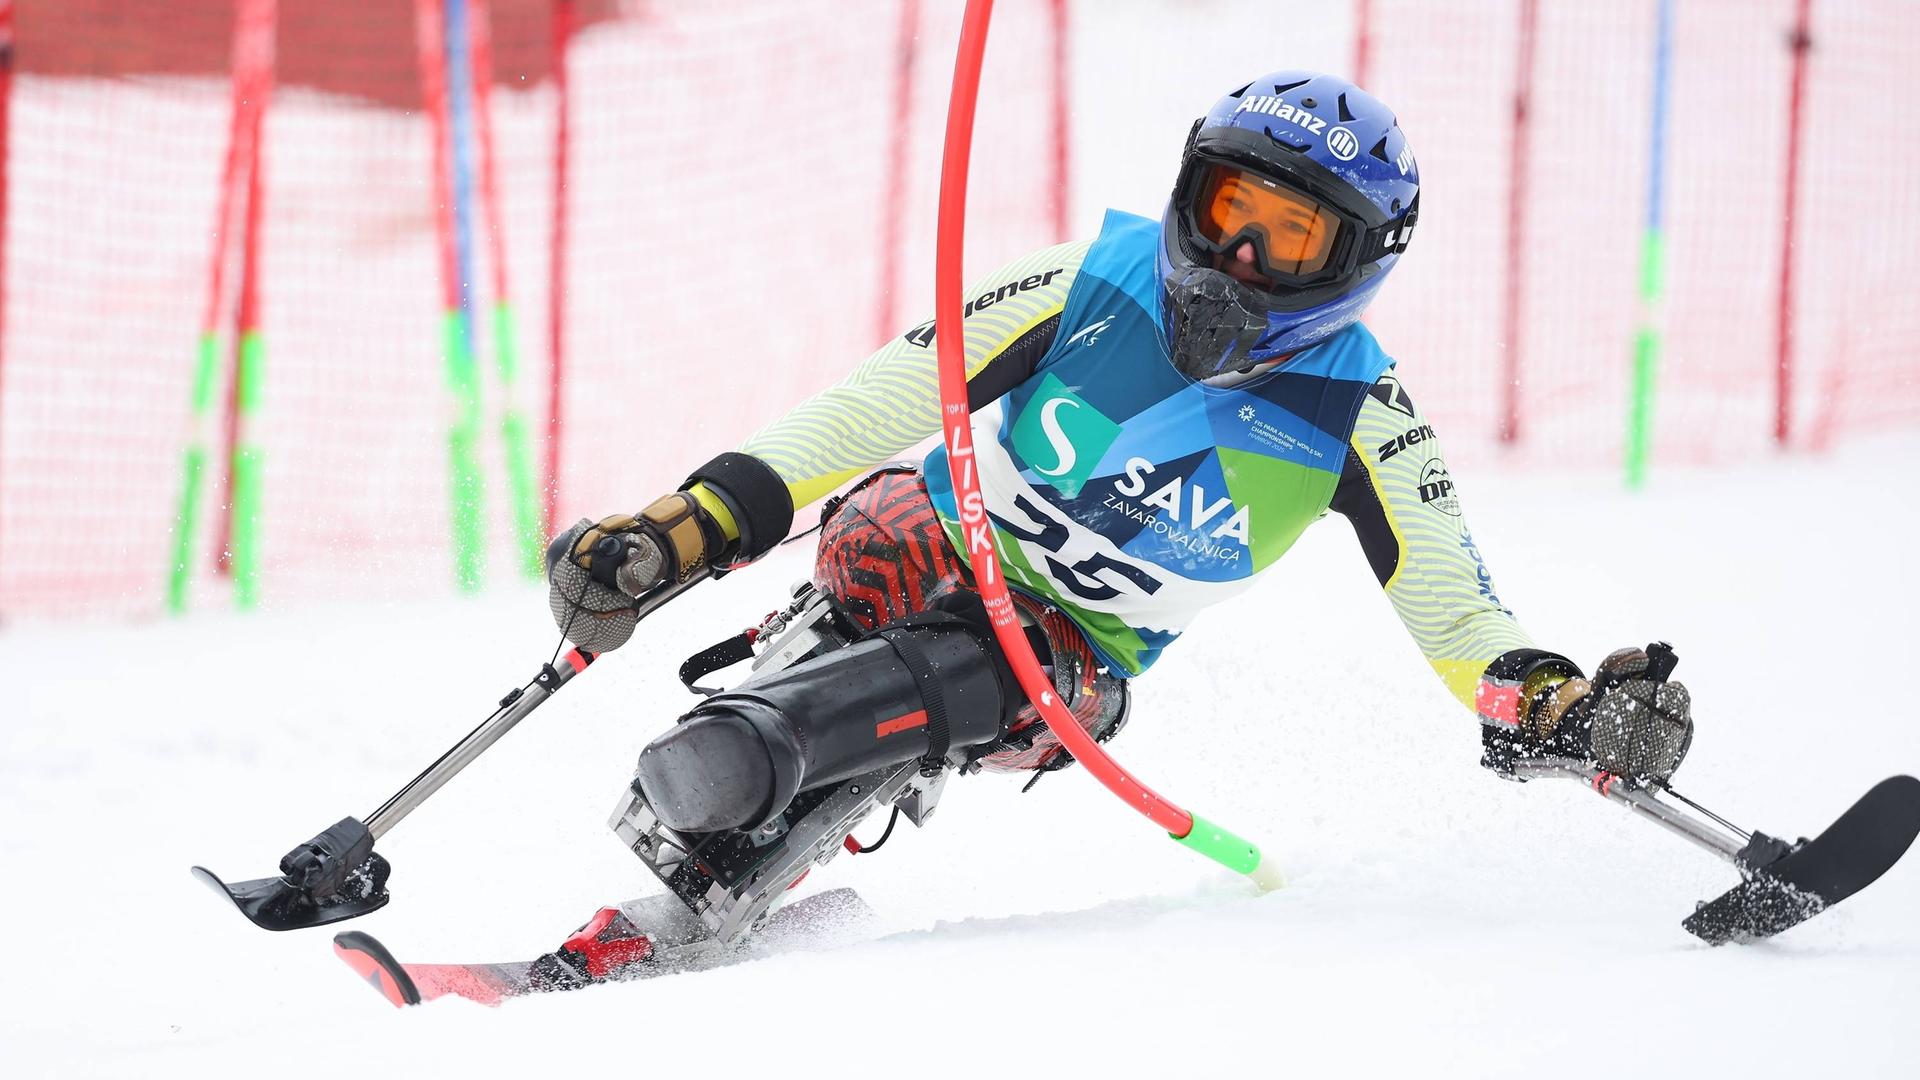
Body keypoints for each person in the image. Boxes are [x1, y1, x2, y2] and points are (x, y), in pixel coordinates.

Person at [545, 71, 1693, 873]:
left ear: (1358, 262)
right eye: (1228, 209)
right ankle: (791, 697)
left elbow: (1461, 618)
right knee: (881, 532)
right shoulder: (1091, 280)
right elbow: (870, 406)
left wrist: (1562, 708)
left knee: (996, 659)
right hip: (927, 538)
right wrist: (681, 528)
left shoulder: (1362, 418)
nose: (1239, 256)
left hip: (1064, 661)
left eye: (1290, 238)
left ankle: (763, 757)